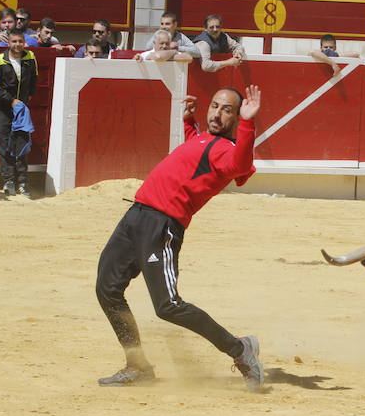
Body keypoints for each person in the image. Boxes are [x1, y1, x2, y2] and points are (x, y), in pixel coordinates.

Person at [95, 85, 265, 390]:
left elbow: (239, 166)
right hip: (136, 214)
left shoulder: (228, 150)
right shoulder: (203, 138)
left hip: (162, 226)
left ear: (237, 116)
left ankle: (241, 349)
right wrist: (189, 122)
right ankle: (137, 365)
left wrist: (248, 124)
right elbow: (194, 150)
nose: (217, 113)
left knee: (168, 305)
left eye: (227, 109)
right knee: (107, 288)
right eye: (215, 106)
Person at [0, 28, 38, 197]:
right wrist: (12, 101)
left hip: (21, 110)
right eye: (14, 41)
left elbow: (34, 80)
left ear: (24, 42)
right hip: (2, 109)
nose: (17, 45)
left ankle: (23, 183)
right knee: (4, 145)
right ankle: (8, 181)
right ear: (8, 42)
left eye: (20, 41)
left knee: (22, 144)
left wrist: (26, 98)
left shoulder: (30, 58)